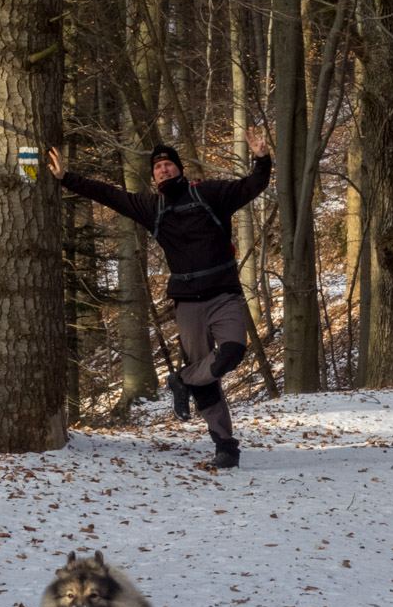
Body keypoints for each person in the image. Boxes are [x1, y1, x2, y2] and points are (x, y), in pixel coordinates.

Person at [48, 130, 271, 470]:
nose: (164, 170)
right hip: (188, 304)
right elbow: (107, 194)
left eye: (168, 164)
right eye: (158, 168)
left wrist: (262, 158)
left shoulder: (209, 194)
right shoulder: (152, 207)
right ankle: (225, 445)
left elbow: (251, 186)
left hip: (224, 295)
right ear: (153, 176)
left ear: (180, 168)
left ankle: (181, 380)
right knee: (207, 379)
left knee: (233, 351)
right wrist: (66, 179)